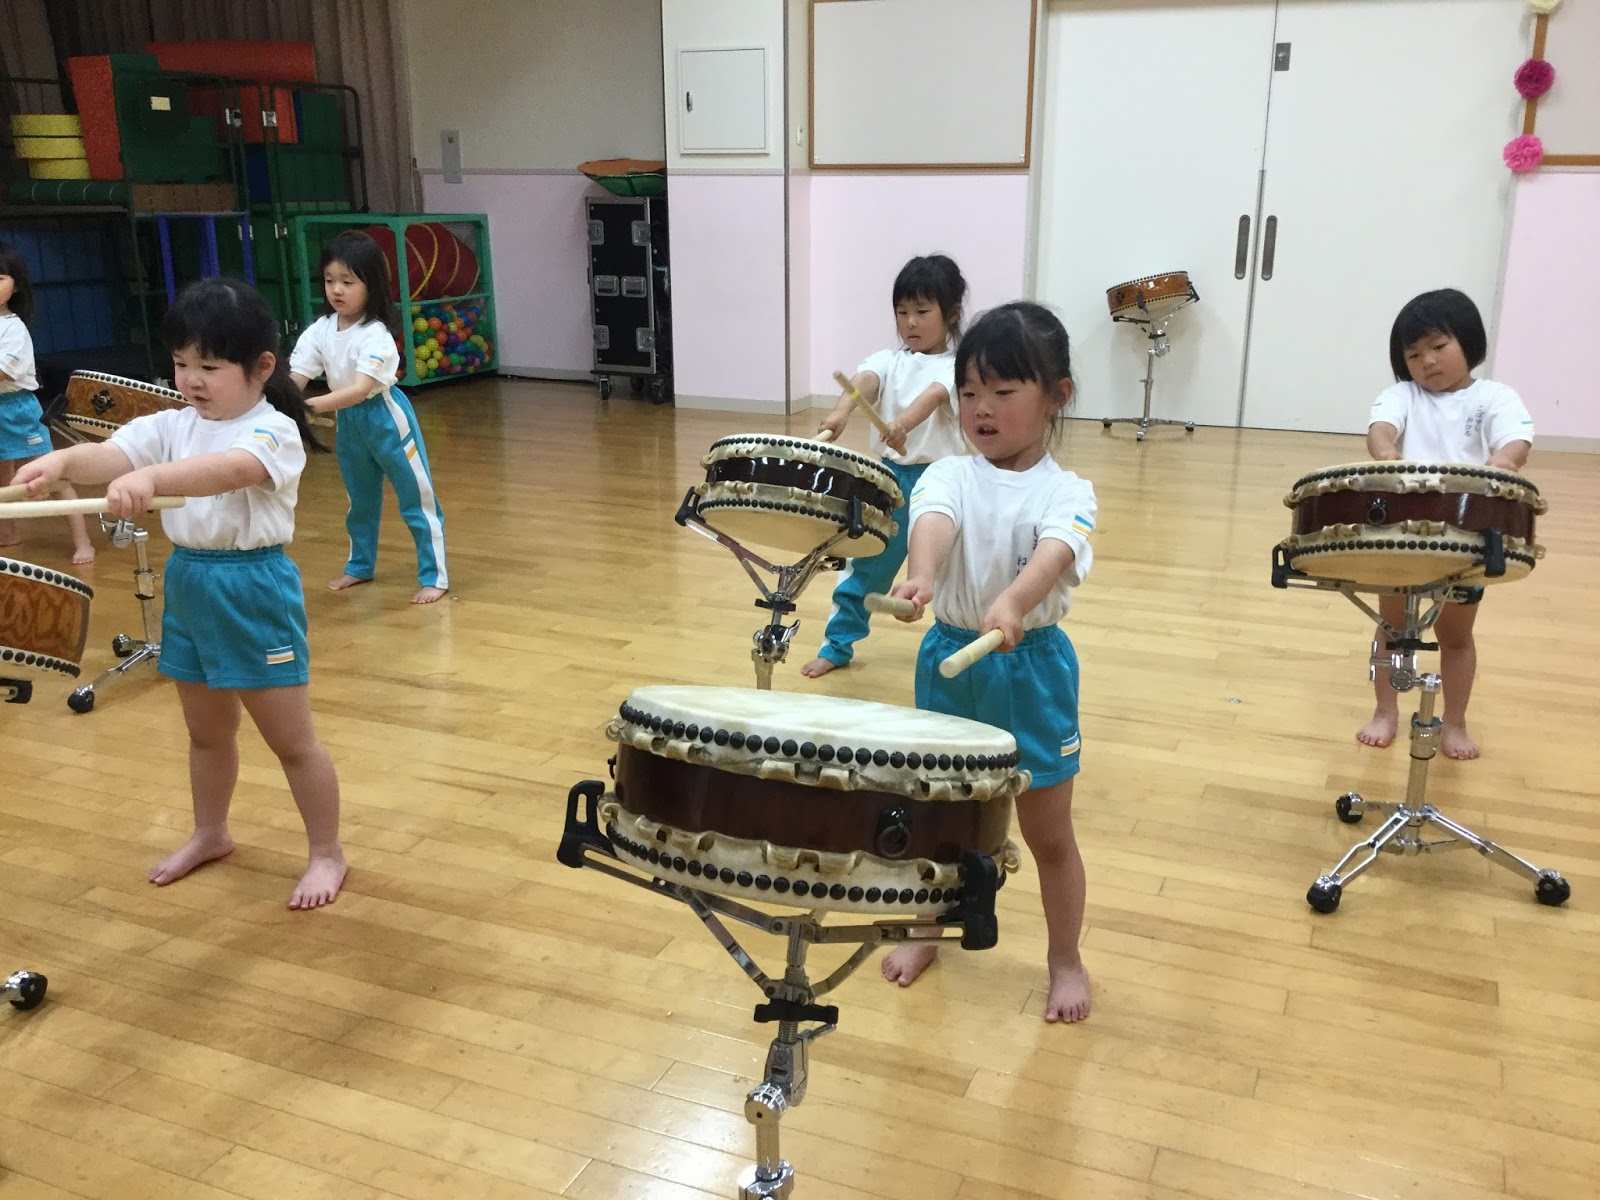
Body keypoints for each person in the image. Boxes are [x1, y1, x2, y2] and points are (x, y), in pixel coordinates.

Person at [12, 277, 346, 910]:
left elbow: (230, 471)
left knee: (291, 740)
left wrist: (153, 478)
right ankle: (210, 832)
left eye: (210, 366)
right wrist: (58, 464)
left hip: (253, 587)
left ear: (261, 367)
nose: (191, 378)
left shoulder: (273, 430)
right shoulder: (172, 423)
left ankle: (327, 853)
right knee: (205, 733)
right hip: (189, 579)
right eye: (181, 363)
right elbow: (112, 455)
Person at [886, 300, 1097, 1024]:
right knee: (937, 819)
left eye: (1003, 393)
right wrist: (920, 574)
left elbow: (1056, 551)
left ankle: (1065, 958)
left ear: (1056, 397)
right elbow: (933, 521)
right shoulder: (949, 472)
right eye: (970, 391)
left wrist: (1011, 601)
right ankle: (925, 931)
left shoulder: (1068, 491)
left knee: (1048, 835)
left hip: (1031, 669)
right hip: (950, 658)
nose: (980, 408)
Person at [1358, 288, 1533, 761]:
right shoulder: (1402, 395)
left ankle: (1452, 720)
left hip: (1465, 535)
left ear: (1469, 342)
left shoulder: (1495, 396)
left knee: (1455, 636)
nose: (1426, 362)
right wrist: (1386, 453)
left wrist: (1501, 462)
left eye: (1438, 346)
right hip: (1401, 534)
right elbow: (1381, 428)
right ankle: (1386, 711)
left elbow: (1516, 439)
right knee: (1391, 627)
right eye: (1413, 354)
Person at [801, 254, 969, 678]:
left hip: (944, 483)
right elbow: (864, 383)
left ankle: (970, 645)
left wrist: (902, 424)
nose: (910, 322)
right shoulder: (888, 360)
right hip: (890, 483)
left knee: (962, 573)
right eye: (902, 312)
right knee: (867, 566)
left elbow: (932, 396)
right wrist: (841, 413)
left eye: (922, 311)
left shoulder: (955, 366)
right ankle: (838, 645)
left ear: (950, 315)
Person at [290, 231, 449, 604]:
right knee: (360, 501)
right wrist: (278, 402)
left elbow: (361, 390)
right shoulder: (321, 330)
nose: (337, 290)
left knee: (415, 498)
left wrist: (307, 408)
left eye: (348, 281)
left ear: (371, 284)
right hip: (349, 426)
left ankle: (435, 575)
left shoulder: (375, 335)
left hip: (387, 421)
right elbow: (295, 377)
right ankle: (360, 565)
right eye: (330, 281)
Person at [0, 241, 95, 563]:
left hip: (17, 409)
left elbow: (2, 373)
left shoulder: (14, 329)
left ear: (15, 286)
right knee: (2, 475)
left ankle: (83, 541)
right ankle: (7, 532)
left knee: (50, 475)